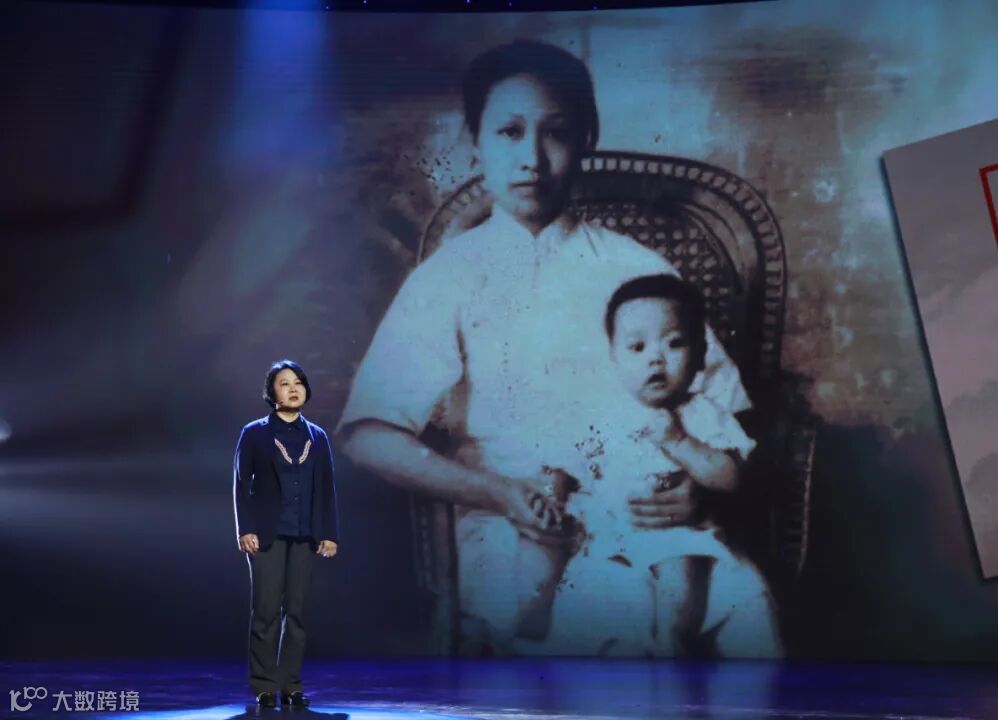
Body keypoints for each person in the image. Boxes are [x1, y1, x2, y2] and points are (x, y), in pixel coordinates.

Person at [336, 39, 765, 654]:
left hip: (646, 516)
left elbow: (723, 416)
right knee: (598, 623)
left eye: (557, 133)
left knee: (746, 614)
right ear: (476, 143)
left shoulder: (638, 268)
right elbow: (367, 434)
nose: (532, 159)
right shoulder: (448, 276)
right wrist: (494, 493)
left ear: (587, 139)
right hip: (517, 526)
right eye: (509, 133)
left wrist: (694, 488)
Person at [531, 274, 781, 658]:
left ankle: (674, 643)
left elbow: (730, 476)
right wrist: (551, 494)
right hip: (612, 540)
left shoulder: (702, 414)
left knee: (680, 582)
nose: (656, 357)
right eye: (637, 346)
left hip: (680, 534)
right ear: (614, 357)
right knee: (594, 611)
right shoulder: (601, 416)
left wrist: (680, 442)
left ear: (700, 356)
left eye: (674, 343)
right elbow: (562, 465)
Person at [233, 360, 340, 708]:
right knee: (265, 612)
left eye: (298, 382)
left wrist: (329, 533)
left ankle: (291, 684)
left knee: (297, 614)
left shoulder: (317, 437)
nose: (293, 388)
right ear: (272, 392)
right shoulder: (254, 433)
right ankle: (264, 685)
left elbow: (327, 488)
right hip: (267, 535)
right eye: (284, 383)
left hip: (305, 534)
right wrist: (245, 528)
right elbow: (240, 485)